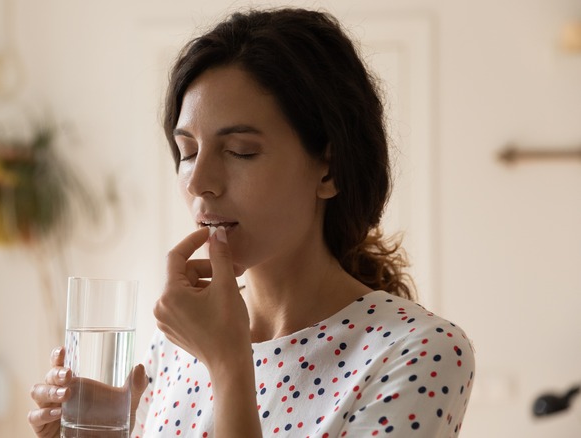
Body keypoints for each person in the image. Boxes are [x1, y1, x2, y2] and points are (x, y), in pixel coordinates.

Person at [28, 7, 475, 437]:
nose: (200, 181)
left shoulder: (419, 351)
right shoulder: (176, 346)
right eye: (186, 152)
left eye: (240, 150)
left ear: (329, 170)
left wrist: (228, 365)